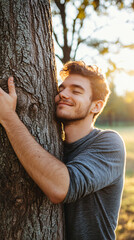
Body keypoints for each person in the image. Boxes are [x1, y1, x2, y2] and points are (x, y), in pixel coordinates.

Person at [0, 61, 125, 240]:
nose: (62, 94)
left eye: (76, 91)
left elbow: (61, 187)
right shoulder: (53, 146)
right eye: (61, 89)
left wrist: (8, 118)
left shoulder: (109, 143)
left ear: (95, 106)